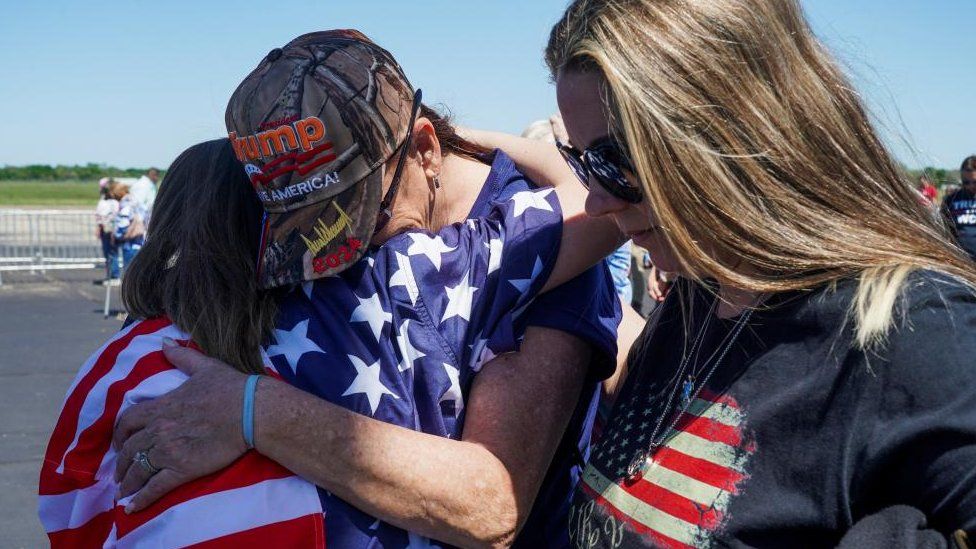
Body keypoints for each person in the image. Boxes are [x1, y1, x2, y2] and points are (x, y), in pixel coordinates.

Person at [42, 31, 623, 548]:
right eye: (303, 222)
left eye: (361, 210)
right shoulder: (437, 262)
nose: (335, 251)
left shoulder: (506, 250)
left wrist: (251, 409)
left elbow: (490, 507)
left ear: (425, 149)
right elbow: (586, 202)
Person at [543, 0, 976, 545]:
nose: (597, 199)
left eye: (613, 159)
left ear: (732, 130)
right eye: (582, 162)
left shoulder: (916, 330)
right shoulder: (698, 295)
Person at [941, 156, 976, 260]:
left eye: (975, 182)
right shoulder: (951, 199)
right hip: (960, 262)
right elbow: (944, 230)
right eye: (966, 182)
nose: (970, 186)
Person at [109, 181, 146, 273]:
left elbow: (123, 225)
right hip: (140, 242)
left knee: (130, 274)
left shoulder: (126, 206)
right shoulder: (136, 202)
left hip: (130, 244)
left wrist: (116, 235)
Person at [94, 178, 120, 282]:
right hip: (109, 229)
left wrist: (99, 227)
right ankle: (112, 274)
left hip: (108, 230)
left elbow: (103, 217)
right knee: (111, 252)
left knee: (110, 252)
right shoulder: (112, 201)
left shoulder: (108, 202)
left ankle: (113, 275)